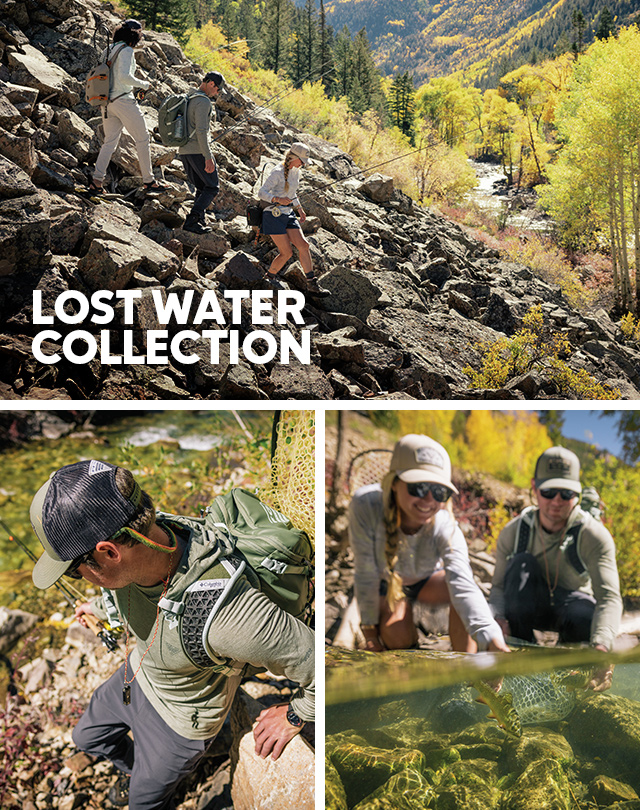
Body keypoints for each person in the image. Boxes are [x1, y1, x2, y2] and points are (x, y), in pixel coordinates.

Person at [30, 460, 314, 810]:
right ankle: (138, 771)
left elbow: (320, 664)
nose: (77, 577)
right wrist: (101, 608)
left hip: (180, 726)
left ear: (108, 552)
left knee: (143, 806)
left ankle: (161, 781)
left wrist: (296, 714)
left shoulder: (228, 614)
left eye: (74, 570)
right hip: (137, 676)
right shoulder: (152, 535)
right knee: (86, 737)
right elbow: (128, 585)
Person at [349, 434, 510, 654]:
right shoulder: (365, 504)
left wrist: (491, 636)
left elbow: (464, 585)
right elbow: (365, 571)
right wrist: (369, 633)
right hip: (388, 583)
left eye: (439, 492)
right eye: (419, 487)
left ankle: (467, 669)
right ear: (394, 483)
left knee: (463, 598)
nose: (429, 500)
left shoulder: (445, 524)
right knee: (397, 639)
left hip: (429, 582)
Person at [489, 446, 622, 691]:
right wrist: (497, 619)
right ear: (534, 488)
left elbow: (609, 598)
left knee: (585, 613)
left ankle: (570, 676)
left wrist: (602, 646)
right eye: (549, 491)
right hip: (527, 606)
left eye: (566, 492)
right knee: (520, 564)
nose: (557, 501)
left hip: (572, 610)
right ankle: (520, 667)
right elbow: (497, 587)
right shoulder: (514, 531)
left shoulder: (595, 535)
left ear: (578, 494)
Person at [90, 19, 167, 194]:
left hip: (107, 103)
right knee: (143, 139)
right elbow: (124, 77)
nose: (141, 37)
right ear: (134, 34)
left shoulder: (108, 50)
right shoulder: (126, 51)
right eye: (140, 34)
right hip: (123, 101)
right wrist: (144, 84)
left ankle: (96, 182)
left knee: (109, 143)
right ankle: (149, 181)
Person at [258, 143, 330, 298]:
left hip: (288, 214)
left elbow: (292, 193)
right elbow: (261, 193)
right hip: (273, 215)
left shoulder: (296, 172)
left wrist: (299, 208)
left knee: (304, 245)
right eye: (302, 161)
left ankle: (312, 284)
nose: (303, 164)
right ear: (294, 157)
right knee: (287, 253)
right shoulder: (277, 172)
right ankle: (268, 278)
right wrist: (276, 199)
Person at [178, 72, 224, 234]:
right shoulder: (203, 102)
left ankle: (200, 221)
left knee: (201, 186)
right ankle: (192, 220)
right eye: (218, 89)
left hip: (184, 150)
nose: (217, 93)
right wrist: (208, 156)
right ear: (211, 83)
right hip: (197, 151)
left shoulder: (189, 97)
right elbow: (202, 131)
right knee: (212, 187)